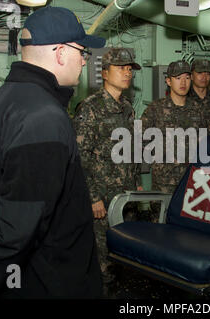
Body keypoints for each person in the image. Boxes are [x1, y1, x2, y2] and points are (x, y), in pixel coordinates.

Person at [0, 6, 106, 298]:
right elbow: (20, 219)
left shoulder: (1, 102)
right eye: (82, 52)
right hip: (50, 280)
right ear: (60, 52)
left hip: (21, 275)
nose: (84, 62)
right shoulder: (43, 116)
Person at [72, 48, 142, 292]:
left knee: (127, 257)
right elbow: (80, 157)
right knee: (104, 264)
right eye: (120, 68)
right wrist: (93, 197)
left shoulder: (127, 107)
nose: (127, 73)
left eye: (129, 69)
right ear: (104, 73)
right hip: (102, 198)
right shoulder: (90, 108)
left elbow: (130, 149)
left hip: (126, 197)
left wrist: (136, 182)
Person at [141, 60, 202, 194]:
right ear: (168, 81)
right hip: (164, 183)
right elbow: (140, 142)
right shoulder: (155, 109)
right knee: (161, 215)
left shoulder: (198, 109)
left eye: (187, 78)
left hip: (192, 181)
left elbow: (205, 143)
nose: (183, 83)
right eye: (178, 78)